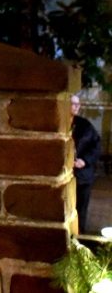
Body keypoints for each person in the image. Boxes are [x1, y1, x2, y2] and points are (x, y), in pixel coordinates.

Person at [72, 94, 101, 233]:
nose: (77, 106)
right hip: (66, 176)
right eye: (73, 103)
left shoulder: (85, 125)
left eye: (78, 104)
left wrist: (85, 160)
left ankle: (79, 235)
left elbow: (96, 146)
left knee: (80, 208)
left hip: (82, 177)